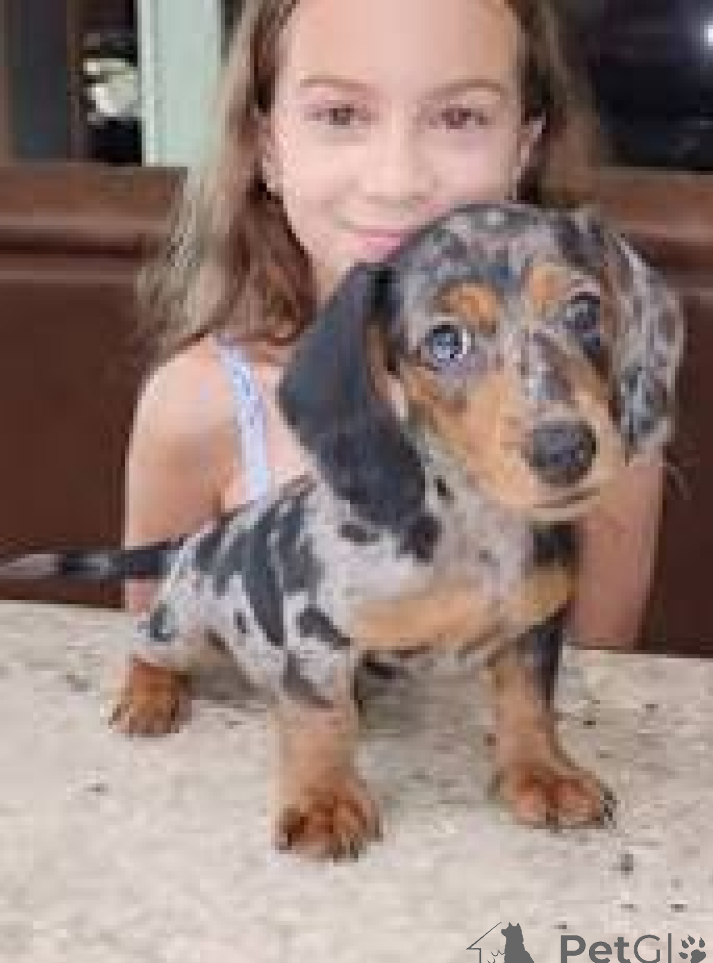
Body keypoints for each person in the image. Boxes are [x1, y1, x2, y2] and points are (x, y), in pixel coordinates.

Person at [123, 0, 665, 650]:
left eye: (458, 117)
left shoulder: (595, 414)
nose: (397, 182)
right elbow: (161, 660)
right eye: (341, 115)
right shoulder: (193, 407)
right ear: (268, 149)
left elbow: (598, 683)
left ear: (523, 149)